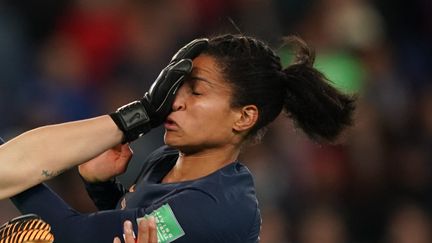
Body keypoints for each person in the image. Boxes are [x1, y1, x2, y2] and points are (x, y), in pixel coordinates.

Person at [5, 34, 355, 242]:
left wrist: (14, 169)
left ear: (244, 116)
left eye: (196, 92)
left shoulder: (217, 207)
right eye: (177, 88)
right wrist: (102, 187)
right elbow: (126, 226)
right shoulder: (168, 160)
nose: (175, 101)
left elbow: (74, 236)